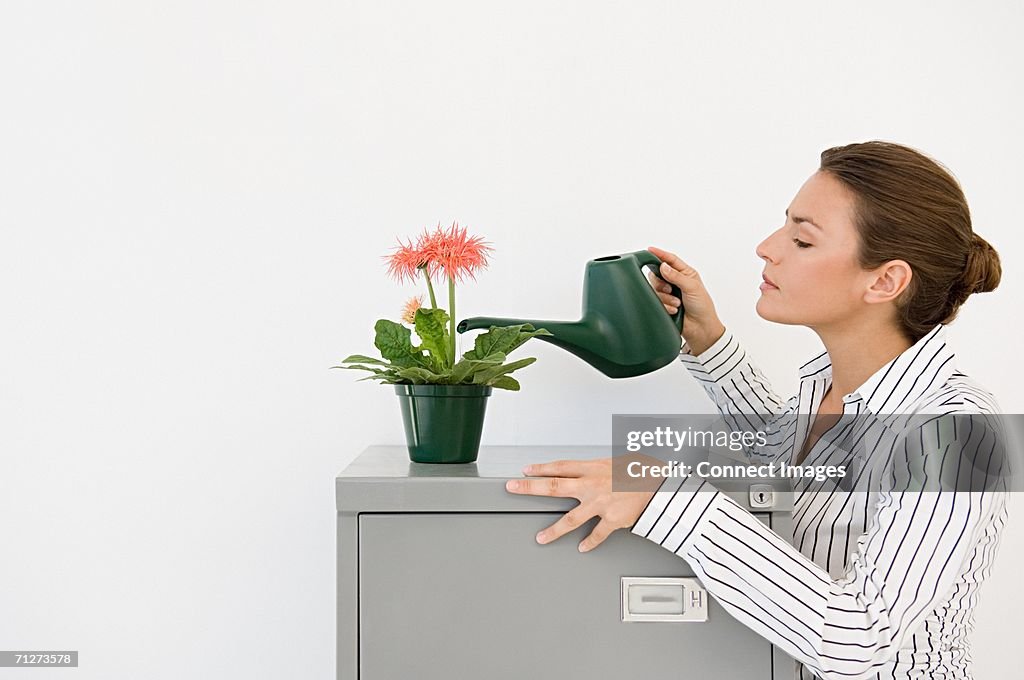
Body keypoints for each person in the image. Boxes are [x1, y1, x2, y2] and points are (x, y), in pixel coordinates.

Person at [505, 141, 1007, 680]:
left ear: (884, 281)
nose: (767, 248)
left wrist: (667, 501)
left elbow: (860, 641)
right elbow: (786, 453)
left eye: (802, 239)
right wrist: (706, 340)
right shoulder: (831, 391)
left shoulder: (954, 434)